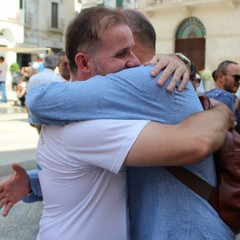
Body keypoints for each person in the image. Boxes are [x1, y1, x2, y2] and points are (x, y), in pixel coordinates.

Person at [0, 7, 234, 240]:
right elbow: (96, 169)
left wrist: (221, 111)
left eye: (132, 51)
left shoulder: (151, 81)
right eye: (122, 53)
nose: (133, 63)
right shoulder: (95, 117)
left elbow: (40, 101)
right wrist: (222, 110)